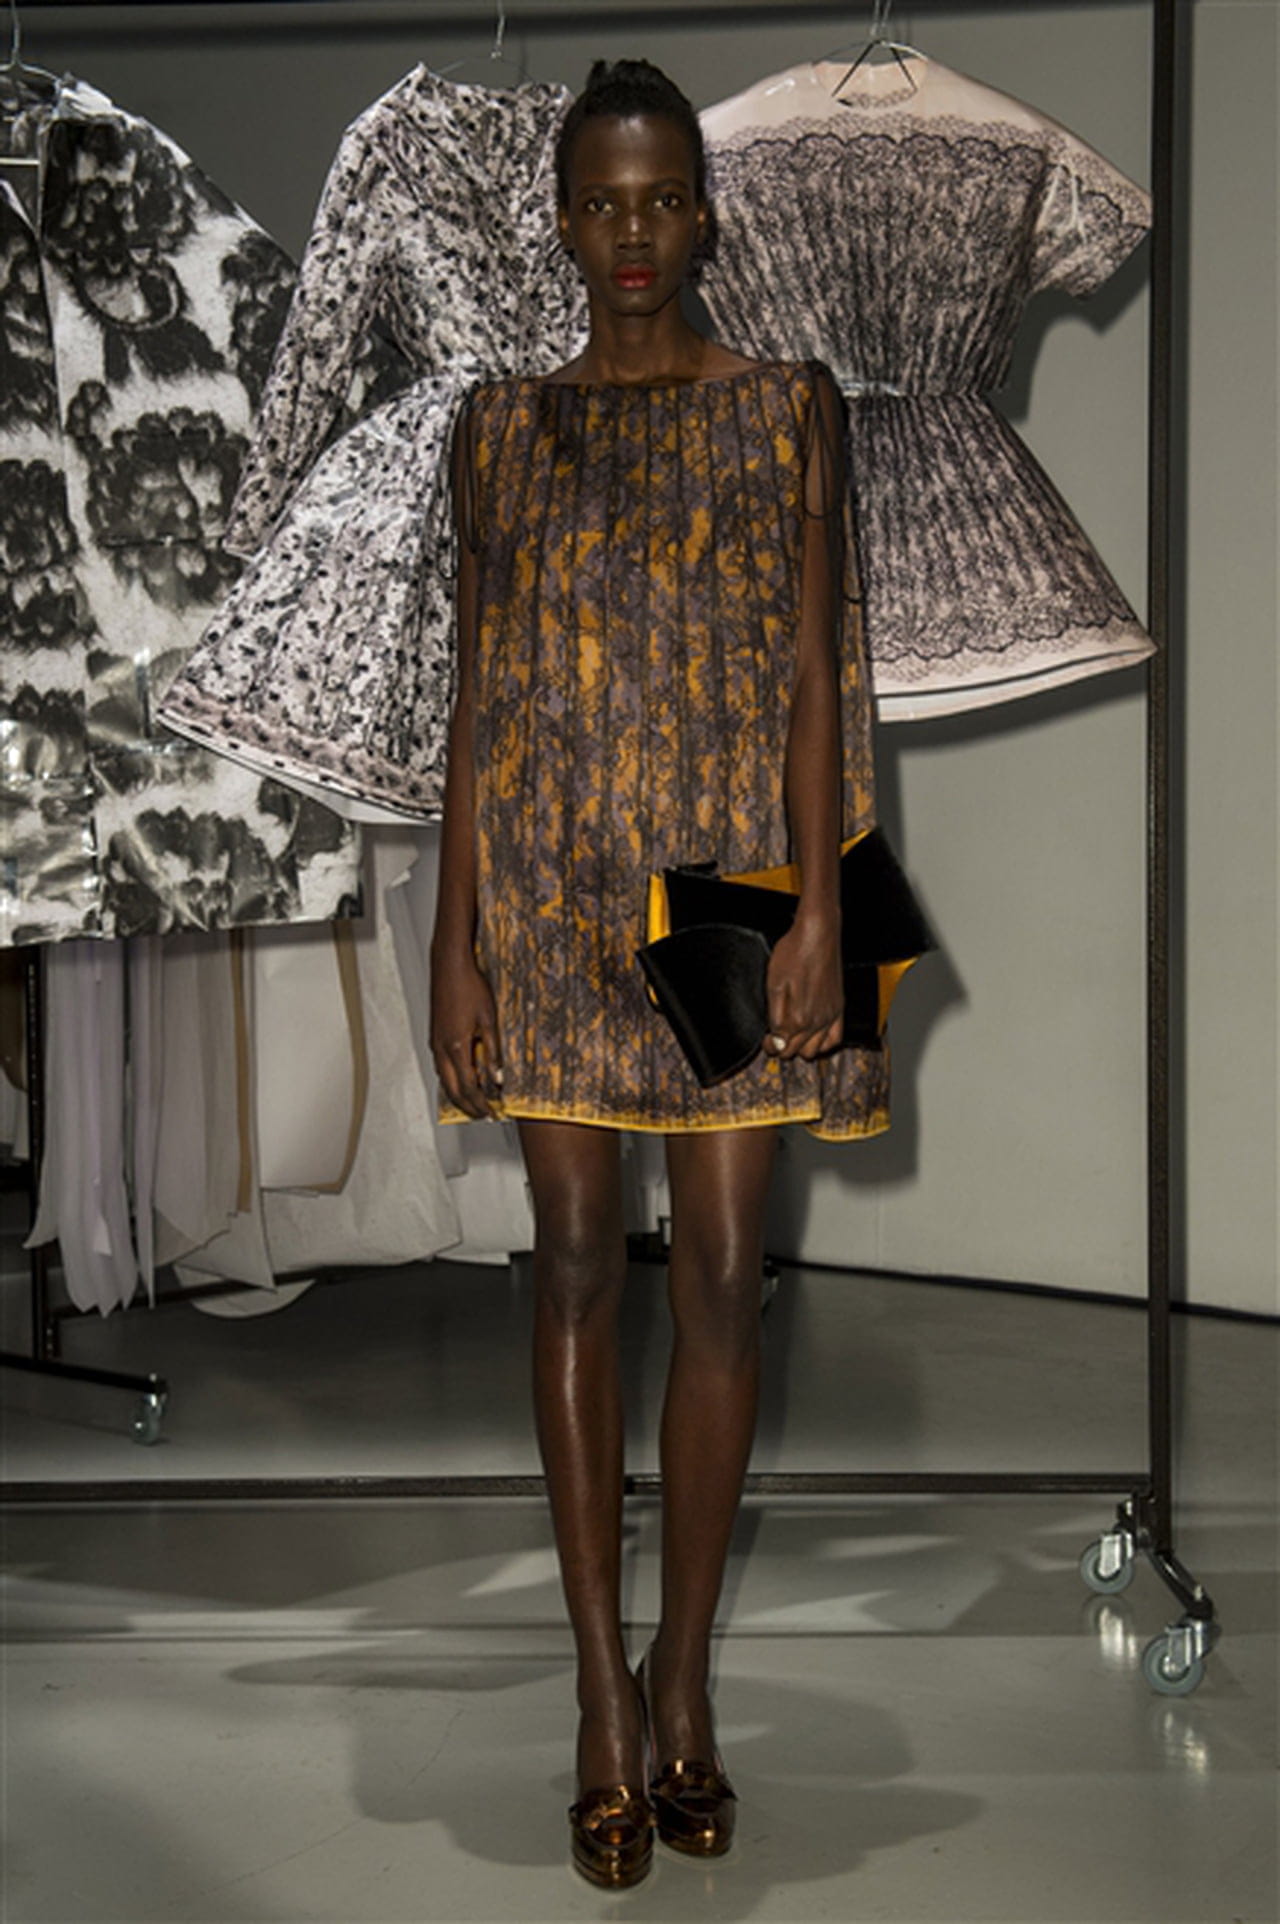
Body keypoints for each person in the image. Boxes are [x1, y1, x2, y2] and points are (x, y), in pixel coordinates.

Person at [430, 57, 884, 1889]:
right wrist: (451, 937)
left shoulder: (787, 409)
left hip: (727, 884)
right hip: (546, 881)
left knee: (718, 1279)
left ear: (705, 214)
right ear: (563, 220)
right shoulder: (497, 429)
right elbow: (473, 703)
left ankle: (683, 1676)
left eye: (662, 199)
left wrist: (826, 909)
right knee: (566, 1267)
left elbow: (820, 678)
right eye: (602, 202)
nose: (633, 233)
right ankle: (600, 1707)